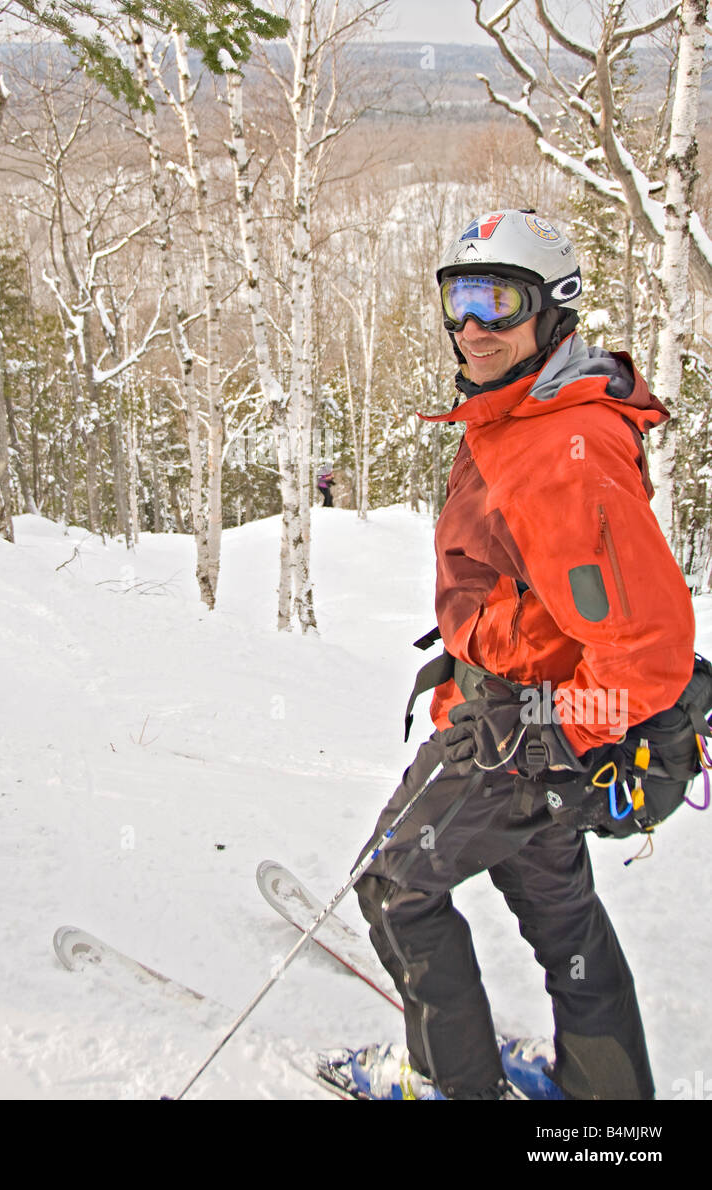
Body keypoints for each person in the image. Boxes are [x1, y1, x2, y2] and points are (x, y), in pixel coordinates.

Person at [337, 208, 696, 1101]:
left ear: (552, 309)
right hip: (519, 710)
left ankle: (453, 1087)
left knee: (395, 887)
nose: (473, 327)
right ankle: (608, 1108)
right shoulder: (522, 415)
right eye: (459, 301)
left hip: (526, 730)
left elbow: (647, 652)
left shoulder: (562, 452)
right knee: (560, 914)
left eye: (499, 302)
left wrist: (544, 732)